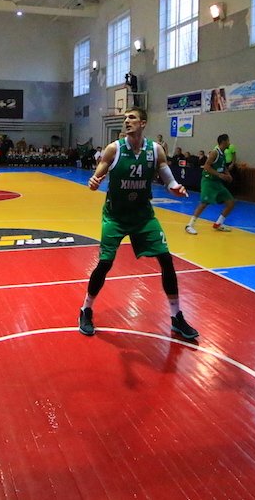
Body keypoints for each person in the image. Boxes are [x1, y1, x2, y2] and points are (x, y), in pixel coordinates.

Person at [77, 107, 198, 341]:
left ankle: (176, 316)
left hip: (143, 216)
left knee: (166, 260)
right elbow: (99, 172)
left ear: (143, 123)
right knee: (105, 263)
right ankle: (86, 309)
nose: (127, 121)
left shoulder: (155, 150)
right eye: (125, 118)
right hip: (115, 216)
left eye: (131, 118)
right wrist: (94, 180)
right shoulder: (114, 149)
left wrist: (174, 186)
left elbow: (167, 175)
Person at [185, 133, 235, 234]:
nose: (229, 143)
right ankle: (189, 225)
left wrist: (228, 175)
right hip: (208, 181)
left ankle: (218, 224)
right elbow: (206, 166)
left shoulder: (223, 153)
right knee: (204, 203)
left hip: (217, 182)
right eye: (228, 140)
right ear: (223, 141)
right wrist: (220, 175)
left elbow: (223, 166)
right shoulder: (214, 152)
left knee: (230, 202)